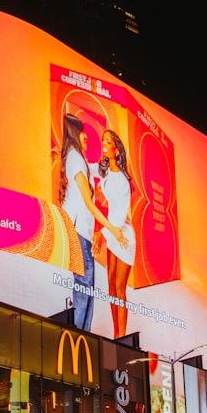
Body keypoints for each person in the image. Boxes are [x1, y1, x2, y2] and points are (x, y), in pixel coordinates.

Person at [58, 113, 128, 331]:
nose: (87, 137)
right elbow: (89, 204)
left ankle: (83, 336)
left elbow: (99, 169)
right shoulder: (74, 158)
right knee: (83, 285)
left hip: (83, 233)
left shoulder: (78, 159)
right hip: (77, 231)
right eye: (83, 133)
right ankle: (79, 335)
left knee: (87, 286)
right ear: (75, 133)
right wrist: (112, 230)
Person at [90, 129, 135, 338]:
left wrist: (101, 234)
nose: (104, 144)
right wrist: (63, 156)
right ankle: (116, 334)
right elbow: (89, 169)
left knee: (119, 289)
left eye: (109, 142)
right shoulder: (106, 172)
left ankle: (122, 337)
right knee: (110, 287)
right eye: (103, 141)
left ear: (117, 150)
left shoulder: (123, 182)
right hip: (112, 233)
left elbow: (118, 217)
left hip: (123, 237)